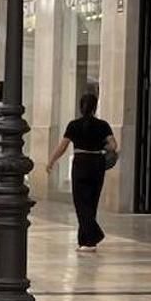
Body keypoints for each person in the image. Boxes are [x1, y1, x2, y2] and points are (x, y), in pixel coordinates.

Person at [45, 92, 117, 251]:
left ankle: (92, 236)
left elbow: (62, 147)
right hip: (97, 163)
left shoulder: (73, 125)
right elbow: (113, 145)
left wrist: (51, 161)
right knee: (92, 202)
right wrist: (102, 146)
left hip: (81, 163)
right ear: (95, 107)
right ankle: (87, 241)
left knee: (80, 202)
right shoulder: (103, 125)